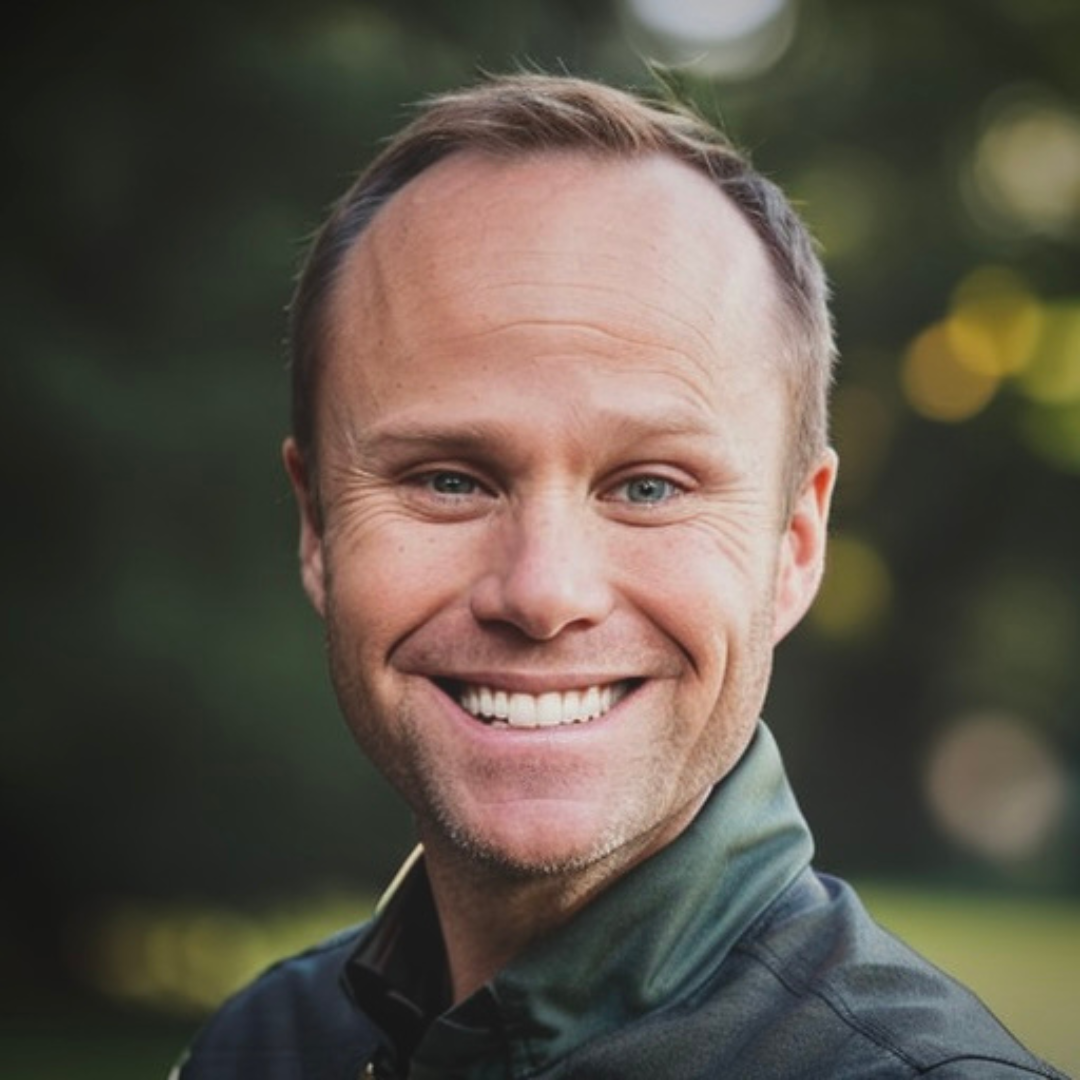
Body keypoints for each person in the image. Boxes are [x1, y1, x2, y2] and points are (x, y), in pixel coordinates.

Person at [173, 73, 1068, 1079]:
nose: (545, 593)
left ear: (797, 544)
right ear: (316, 527)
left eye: (648, 487)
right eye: (451, 480)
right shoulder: (259, 1048)